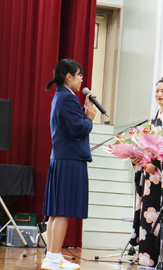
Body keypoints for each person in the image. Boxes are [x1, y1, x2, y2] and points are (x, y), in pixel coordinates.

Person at [41, 59, 97, 270]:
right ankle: (54, 256)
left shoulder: (61, 96)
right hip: (69, 160)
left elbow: (72, 125)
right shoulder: (68, 98)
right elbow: (78, 129)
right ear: (69, 76)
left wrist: (84, 109)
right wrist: (90, 117)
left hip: (61, 157)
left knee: (57, 211)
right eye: (79, 75)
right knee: (62, 211)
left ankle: (53, 255)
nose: (82, 79)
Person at [129, 75, 163, 267]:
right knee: (148, 217)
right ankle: (146, 261)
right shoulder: (154, 118)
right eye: (157, 90)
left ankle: (162, 261)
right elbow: (148, 146)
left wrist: (157, 164)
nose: (159, 94)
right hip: (150, 175)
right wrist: (139, 157)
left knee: (162, 219)